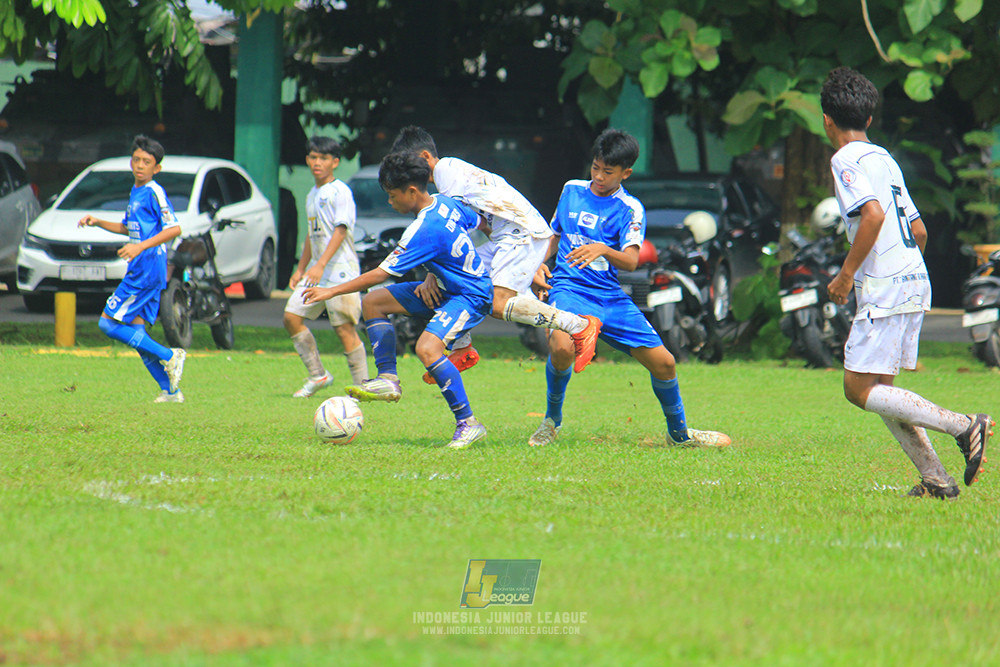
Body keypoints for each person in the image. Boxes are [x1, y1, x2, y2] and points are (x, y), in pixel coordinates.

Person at [822, 66, 992, 499]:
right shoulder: (884, 158)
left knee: (857, 390)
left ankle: (963, 425)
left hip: (885, 284)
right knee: (882, 390)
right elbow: (917, 230)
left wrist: (846, 275)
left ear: (827, 120)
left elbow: (874, 215)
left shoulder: (844, 159)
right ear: (870, 120)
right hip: (914, 276)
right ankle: (937, 479)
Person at [527, 129, 730, 449]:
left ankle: (678, 435)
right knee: (562, 347)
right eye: (595, 167)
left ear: (626, 173)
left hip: (610, 298)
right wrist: (536, 264)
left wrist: (603, 250)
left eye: (608, 172)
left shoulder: (630, 208)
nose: (598, 176)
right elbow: (553, 236)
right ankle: (551, 421)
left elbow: (632, 261)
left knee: (665, 363)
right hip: (569, 288)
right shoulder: (572, 190)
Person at [302, 152, 492, 450]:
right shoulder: (446, 202)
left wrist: (330, 291)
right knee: (373, 303)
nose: (390, 202)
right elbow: (481, 222)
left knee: (427, 349)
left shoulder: (422, 229)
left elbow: (380, 273)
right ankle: (388, 378)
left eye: (392, 196)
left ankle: (469, 424)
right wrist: (435, 271)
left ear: (412, 191)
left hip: (469, 296)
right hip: (444, 287)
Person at [389, 126, 601, 383]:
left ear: (425, 157)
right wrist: (529, 263)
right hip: (509, 236)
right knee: (459, 280)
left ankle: (579, 326)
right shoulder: (451, 177)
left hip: (520, 232)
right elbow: (483, 225)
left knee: (498, 303)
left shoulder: (445, 170)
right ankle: (462, 349)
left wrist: (433, 274)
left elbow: (450, 230)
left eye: (409, 166)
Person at [78, 135, 186, 402]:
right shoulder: (136, 191)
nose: (139, 165)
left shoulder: (154, 191)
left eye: (146, 162)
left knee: (107, 323)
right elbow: (127, 227)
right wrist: (97, 221)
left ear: (156, 168)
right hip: (142, 267)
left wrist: (139, 248)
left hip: (148, 268)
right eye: (136, 159)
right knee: (136, 332)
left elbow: (174, 228)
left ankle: (170, 355)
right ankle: (171, 391)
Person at [284, 136, 368, 397]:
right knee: (291, 317)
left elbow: (340, 231)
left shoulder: (340, 191)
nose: (316, 163)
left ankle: (364, 388)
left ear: (335, 162)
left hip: (340, 271)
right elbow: (312, 234)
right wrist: (301, 268)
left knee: (344, 329)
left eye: (323, 158)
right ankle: (318, 375)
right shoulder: (312, 194)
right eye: (312, 157)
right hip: (316, 272)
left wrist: (319, 265)